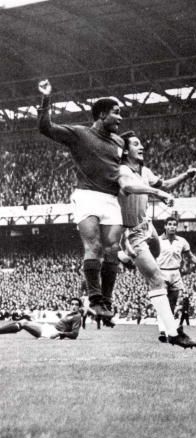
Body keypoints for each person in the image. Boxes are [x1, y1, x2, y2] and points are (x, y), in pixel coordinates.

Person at [37, 79, 123, 320]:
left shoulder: (119, 142)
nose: (120, 118)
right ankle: (95, 299)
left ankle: (106, 300)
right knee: (94, 245)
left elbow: (125, 169)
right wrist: (46, 99)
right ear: (102, 114)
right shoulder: (79, 134)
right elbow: (46, 128)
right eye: (116, 113)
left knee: (113, 250)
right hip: (87, 196)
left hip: (111, 199)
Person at [118, 130, 196, 348]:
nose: (142, 146)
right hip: (130, 231)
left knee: (164, 273)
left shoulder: (144, 170)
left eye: (142, 142)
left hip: (148, 227)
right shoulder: (121, 170)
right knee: (156, 278)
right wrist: (158, 194)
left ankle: (125, 258)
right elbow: (128, 187)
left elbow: (165, 185)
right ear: (125, 150)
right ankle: (172, 332)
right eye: (136, 144)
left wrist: (186, 175)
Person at [156, 217, 196, 339]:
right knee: (162, 303)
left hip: (175, 274)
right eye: (169, 224)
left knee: (172, 304)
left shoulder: (182, 241)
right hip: (161, 273)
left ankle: (168, 330)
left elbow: (191, 257)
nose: (172, 227)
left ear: (177, 227)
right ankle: (161, 330)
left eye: (174, 225)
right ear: (165, 226)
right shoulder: (158, 240)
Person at [0, 298, 83, 340]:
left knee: (24, 323)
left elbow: (75, 334)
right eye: (72, 304)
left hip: (52, 332)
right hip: (50, 329)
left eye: (76, 304)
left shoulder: (77, 316)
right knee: (23, 322)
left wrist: (60, 334)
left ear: (79, 307)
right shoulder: (70, 314)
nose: (74, 306)